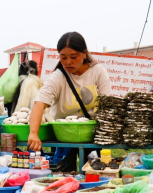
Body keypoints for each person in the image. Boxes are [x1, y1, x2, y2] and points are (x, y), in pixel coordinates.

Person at [27, 32, 111, 171]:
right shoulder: (58, 77)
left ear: (84, 54)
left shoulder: (98, 71)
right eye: (63, 57)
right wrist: (33, 133)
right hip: (63, 137)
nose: (68, 62)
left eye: (73, 57)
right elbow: (39, 103)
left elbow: (107, 105)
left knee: (94, 173)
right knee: (63, 173)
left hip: (92, 135)